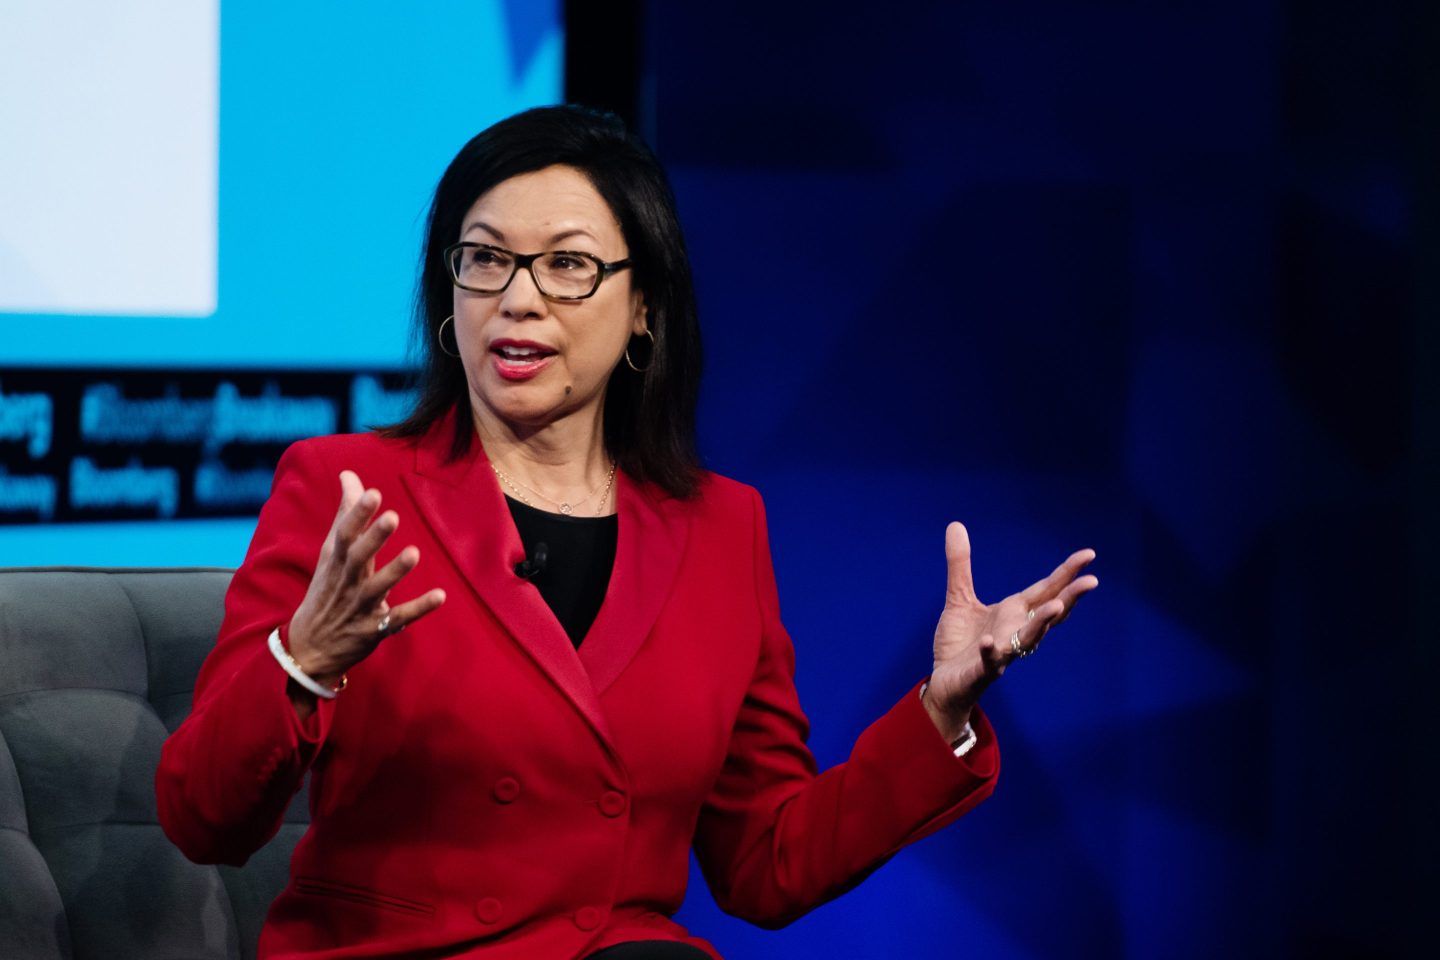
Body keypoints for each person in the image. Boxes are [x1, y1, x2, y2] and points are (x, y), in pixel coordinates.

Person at [156, 105, 1098, 960]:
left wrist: (941, 713)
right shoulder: (346, 488)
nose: (517, 298)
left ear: (643, 305)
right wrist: (302, 662)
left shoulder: (723, 528)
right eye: (484, 259)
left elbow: (766, 863)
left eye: (567, 265)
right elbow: (204, 819)